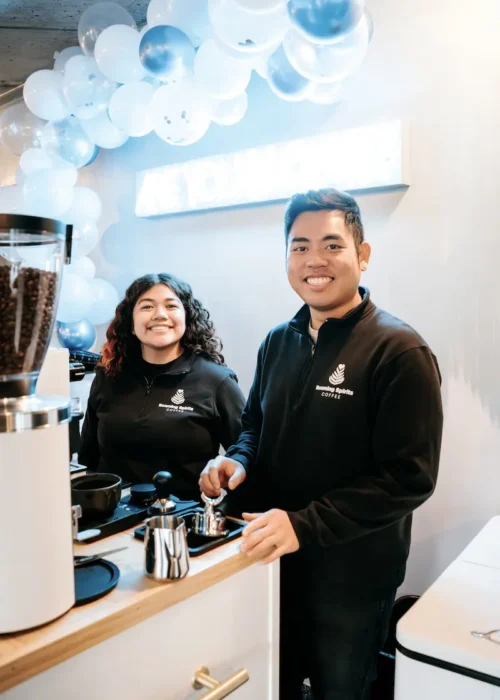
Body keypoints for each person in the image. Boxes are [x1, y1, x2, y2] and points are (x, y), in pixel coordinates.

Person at [199, 188, 443, 700]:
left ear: (363, 254)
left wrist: (304, 523)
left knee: (340, 691)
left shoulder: (399, 350)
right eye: (299, 245)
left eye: (332, 245)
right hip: (272, 558)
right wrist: (236, 462)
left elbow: (409, 477)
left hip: (351, 579)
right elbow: (254, 428)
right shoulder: (276, 342)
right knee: (272, 683)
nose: (314, 260)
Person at [79, 273, 246, 500]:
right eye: (147, 307)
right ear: (130, 322)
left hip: (183, 520)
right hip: (114, 521)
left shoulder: (217, 381)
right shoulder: (108, 376)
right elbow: (88, 458)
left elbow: (246, 459)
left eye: (171, 306)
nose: (160, 315)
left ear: (186, 317)